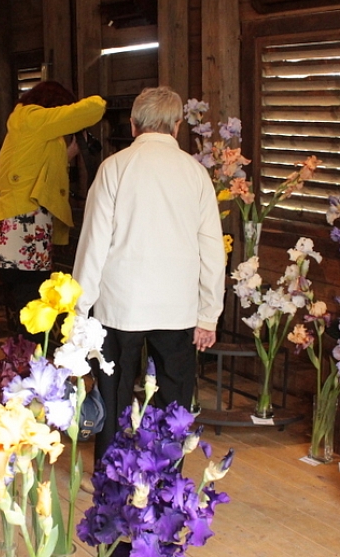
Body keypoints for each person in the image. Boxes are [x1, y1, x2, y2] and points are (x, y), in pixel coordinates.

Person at [73, 86, 226, 462]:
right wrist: (209, 314)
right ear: (177, 126)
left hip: (120, 303)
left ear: (132, 123)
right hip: (178, 305)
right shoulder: (195, 173)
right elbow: (211, 249)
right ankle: (165, 472)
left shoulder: (114, 168)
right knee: (174, 390)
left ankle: (110, 471)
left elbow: (93, 243)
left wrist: (80, 309)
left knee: (115, 387)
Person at [0, 81, 106, 342]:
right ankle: (27, 364)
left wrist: (73, 150)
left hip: (19, 229)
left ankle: (24, 362)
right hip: (24, 228)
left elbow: (39, 166)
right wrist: (82, 109)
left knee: (28, 302)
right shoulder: (32, 119)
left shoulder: (29, 128)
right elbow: (93, 109)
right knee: (30, 302)